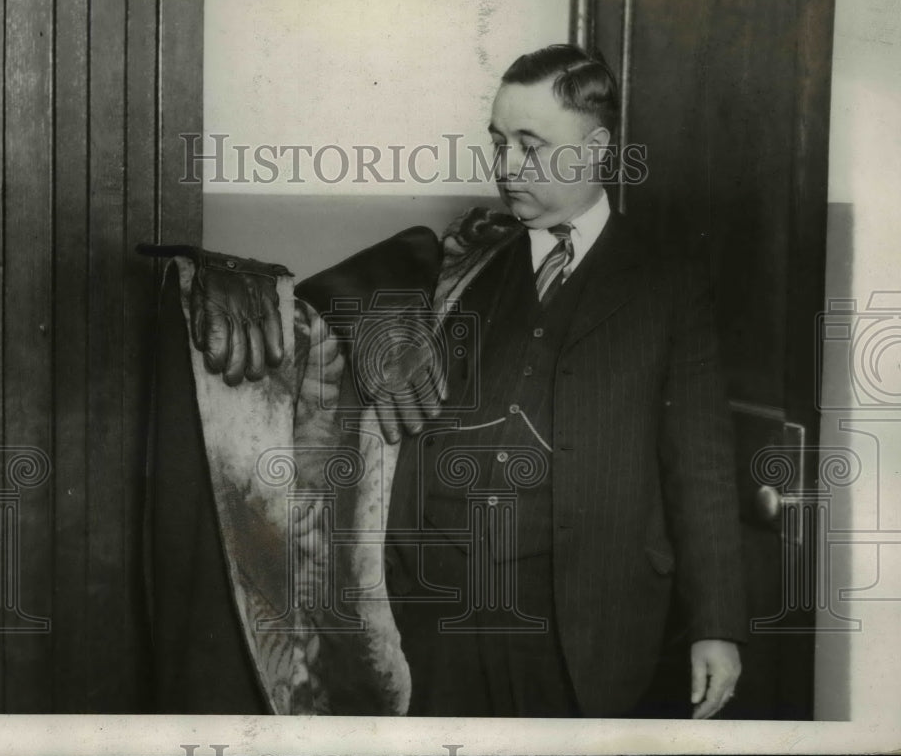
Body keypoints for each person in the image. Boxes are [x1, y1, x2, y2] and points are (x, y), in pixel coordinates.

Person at [143, 43, 746, 718]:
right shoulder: (472, 260)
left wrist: (717, 626)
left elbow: (703, 467)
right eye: (498, 143)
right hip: (438, 623)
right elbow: (322, 307)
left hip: (589, 625)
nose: (507, 168)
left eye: (531, 145)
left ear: (595, 149)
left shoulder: (668, 282)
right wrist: (211, 278)